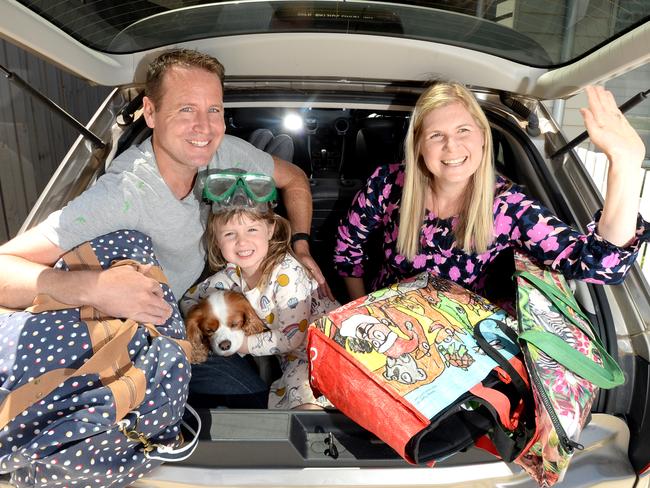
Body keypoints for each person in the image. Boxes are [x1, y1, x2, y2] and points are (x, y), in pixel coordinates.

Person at [0, 48, 331, 323]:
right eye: (186, 109)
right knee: (253, 395)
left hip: (215, 280)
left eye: (213, 109)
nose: (204, 127)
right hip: (165, 324)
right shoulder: (124, 194)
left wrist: (300, 246)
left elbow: (295, 179)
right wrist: (94, 287)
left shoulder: (222, 149)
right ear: (150, 112)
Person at [334, 82, 649, 300]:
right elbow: (347, 250)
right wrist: (359, 312)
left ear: (483, 138)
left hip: (458, 339)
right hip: (384, 322)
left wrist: (626, 165)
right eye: (435, 135)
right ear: (417, 146)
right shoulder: (387, 184)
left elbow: (601, 265)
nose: (451, 146)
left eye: (463, 130)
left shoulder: (508, 208)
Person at [181, 169, 339, 409]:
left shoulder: (286, 274)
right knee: (296, 401)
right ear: (216, 239)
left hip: (325, 348)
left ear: (270, 229)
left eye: (252, 230)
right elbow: (189, 299)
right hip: (292, 358)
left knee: (308, 406)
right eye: (230, 234)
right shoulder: (232, 275)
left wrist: (243, 344)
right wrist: (210, 321)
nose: (242, 242)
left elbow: (291, 338)